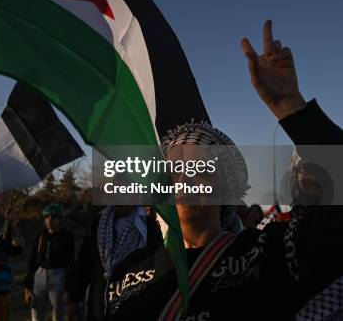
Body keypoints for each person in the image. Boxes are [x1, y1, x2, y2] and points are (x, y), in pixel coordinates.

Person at [102, 20, 343, 320]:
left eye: (200, 166)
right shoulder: (127, 273)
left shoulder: (269, 254)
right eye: (174, 169)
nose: (185, 177)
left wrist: (291, 106)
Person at [65, 205, 156, 321]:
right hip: (99, 304)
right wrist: (73, 297)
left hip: (133, 301)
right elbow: (84, 263)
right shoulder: (98, 224)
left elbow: (155, 264)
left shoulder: (148, 226)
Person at [24, 204, 75, 321]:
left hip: (58, 275)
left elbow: (71, 262)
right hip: (40, 275)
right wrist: (27, 286)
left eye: (53, 217)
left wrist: (69, 288)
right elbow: (32, 261)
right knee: (36, 312)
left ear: (60, 219)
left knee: (58, 313)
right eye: (47, 217)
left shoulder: (67, 236)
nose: (49, 220)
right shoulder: (40, 236)